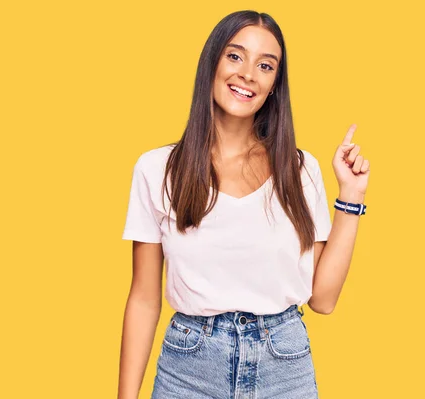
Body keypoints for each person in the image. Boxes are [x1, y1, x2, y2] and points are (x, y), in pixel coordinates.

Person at [118, 10, 370, 399]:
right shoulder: (157, 170)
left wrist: (350, 197)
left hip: (284, 367)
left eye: (265, 65)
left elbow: (323, 299)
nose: (248, 74)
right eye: (235, 56)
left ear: (274, 86)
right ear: (212, 64)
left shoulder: (301, 171)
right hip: (189, 370)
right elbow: (144, 298)